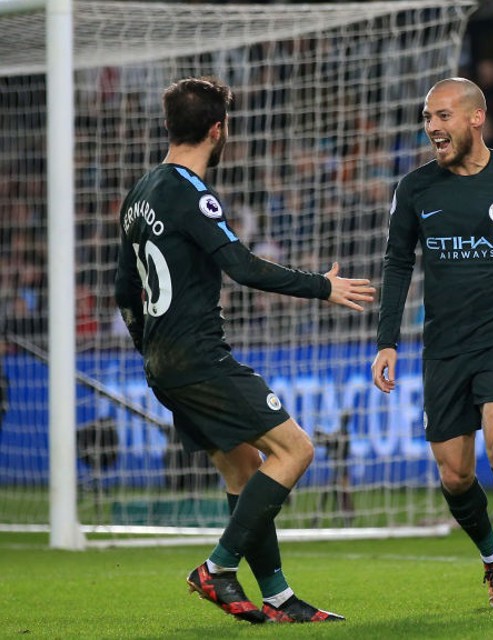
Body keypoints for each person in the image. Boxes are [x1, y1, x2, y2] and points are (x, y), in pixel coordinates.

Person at [114, 76, 374, 624]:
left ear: (170, 126)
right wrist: (322, 286)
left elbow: (122, 291)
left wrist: (151, 350)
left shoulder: (138, 195)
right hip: (199, 357)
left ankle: (277, 598)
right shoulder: (191, 193)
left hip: (164, 362)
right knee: (296, 450)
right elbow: (243, 267)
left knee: (244, 468)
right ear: (218, 130)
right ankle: (218, 566)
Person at [371, 77, 493, 612]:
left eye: (443, 116)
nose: (432, 127)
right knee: (455, 475)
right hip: (442, 345)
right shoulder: (415, 189)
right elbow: (397, 264)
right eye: (427, 118)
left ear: (475, 118)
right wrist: (387, 341)